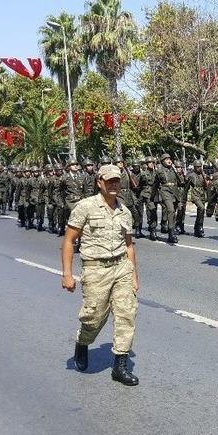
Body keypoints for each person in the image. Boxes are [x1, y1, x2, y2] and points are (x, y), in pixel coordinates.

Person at [61, 164, 140, 386]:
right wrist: (67, 274)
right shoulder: (85, 207)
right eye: (110, 181)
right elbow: (68, 241)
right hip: (96, 269)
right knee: (93, 318)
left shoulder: (125, 211)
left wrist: (134, 276)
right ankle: (82, 341)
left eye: (117, 181)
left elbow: (129, 246)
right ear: (99, 182)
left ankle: (120, 366)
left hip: (122, 268)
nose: (114, 185)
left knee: (127, 314)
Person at [186, 160, 209, 237]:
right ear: (194, 167)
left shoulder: (203, 175)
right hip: (195, 194)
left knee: (201, 212)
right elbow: (186, 186)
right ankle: (199, 227)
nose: (199, 168)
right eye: (197, 167)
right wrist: (184, 198)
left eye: (200, 167)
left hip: (202, 194)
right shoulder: (191, 175)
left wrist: (205, 178)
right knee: (201, 208)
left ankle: (197, 228)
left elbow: (206, 186)